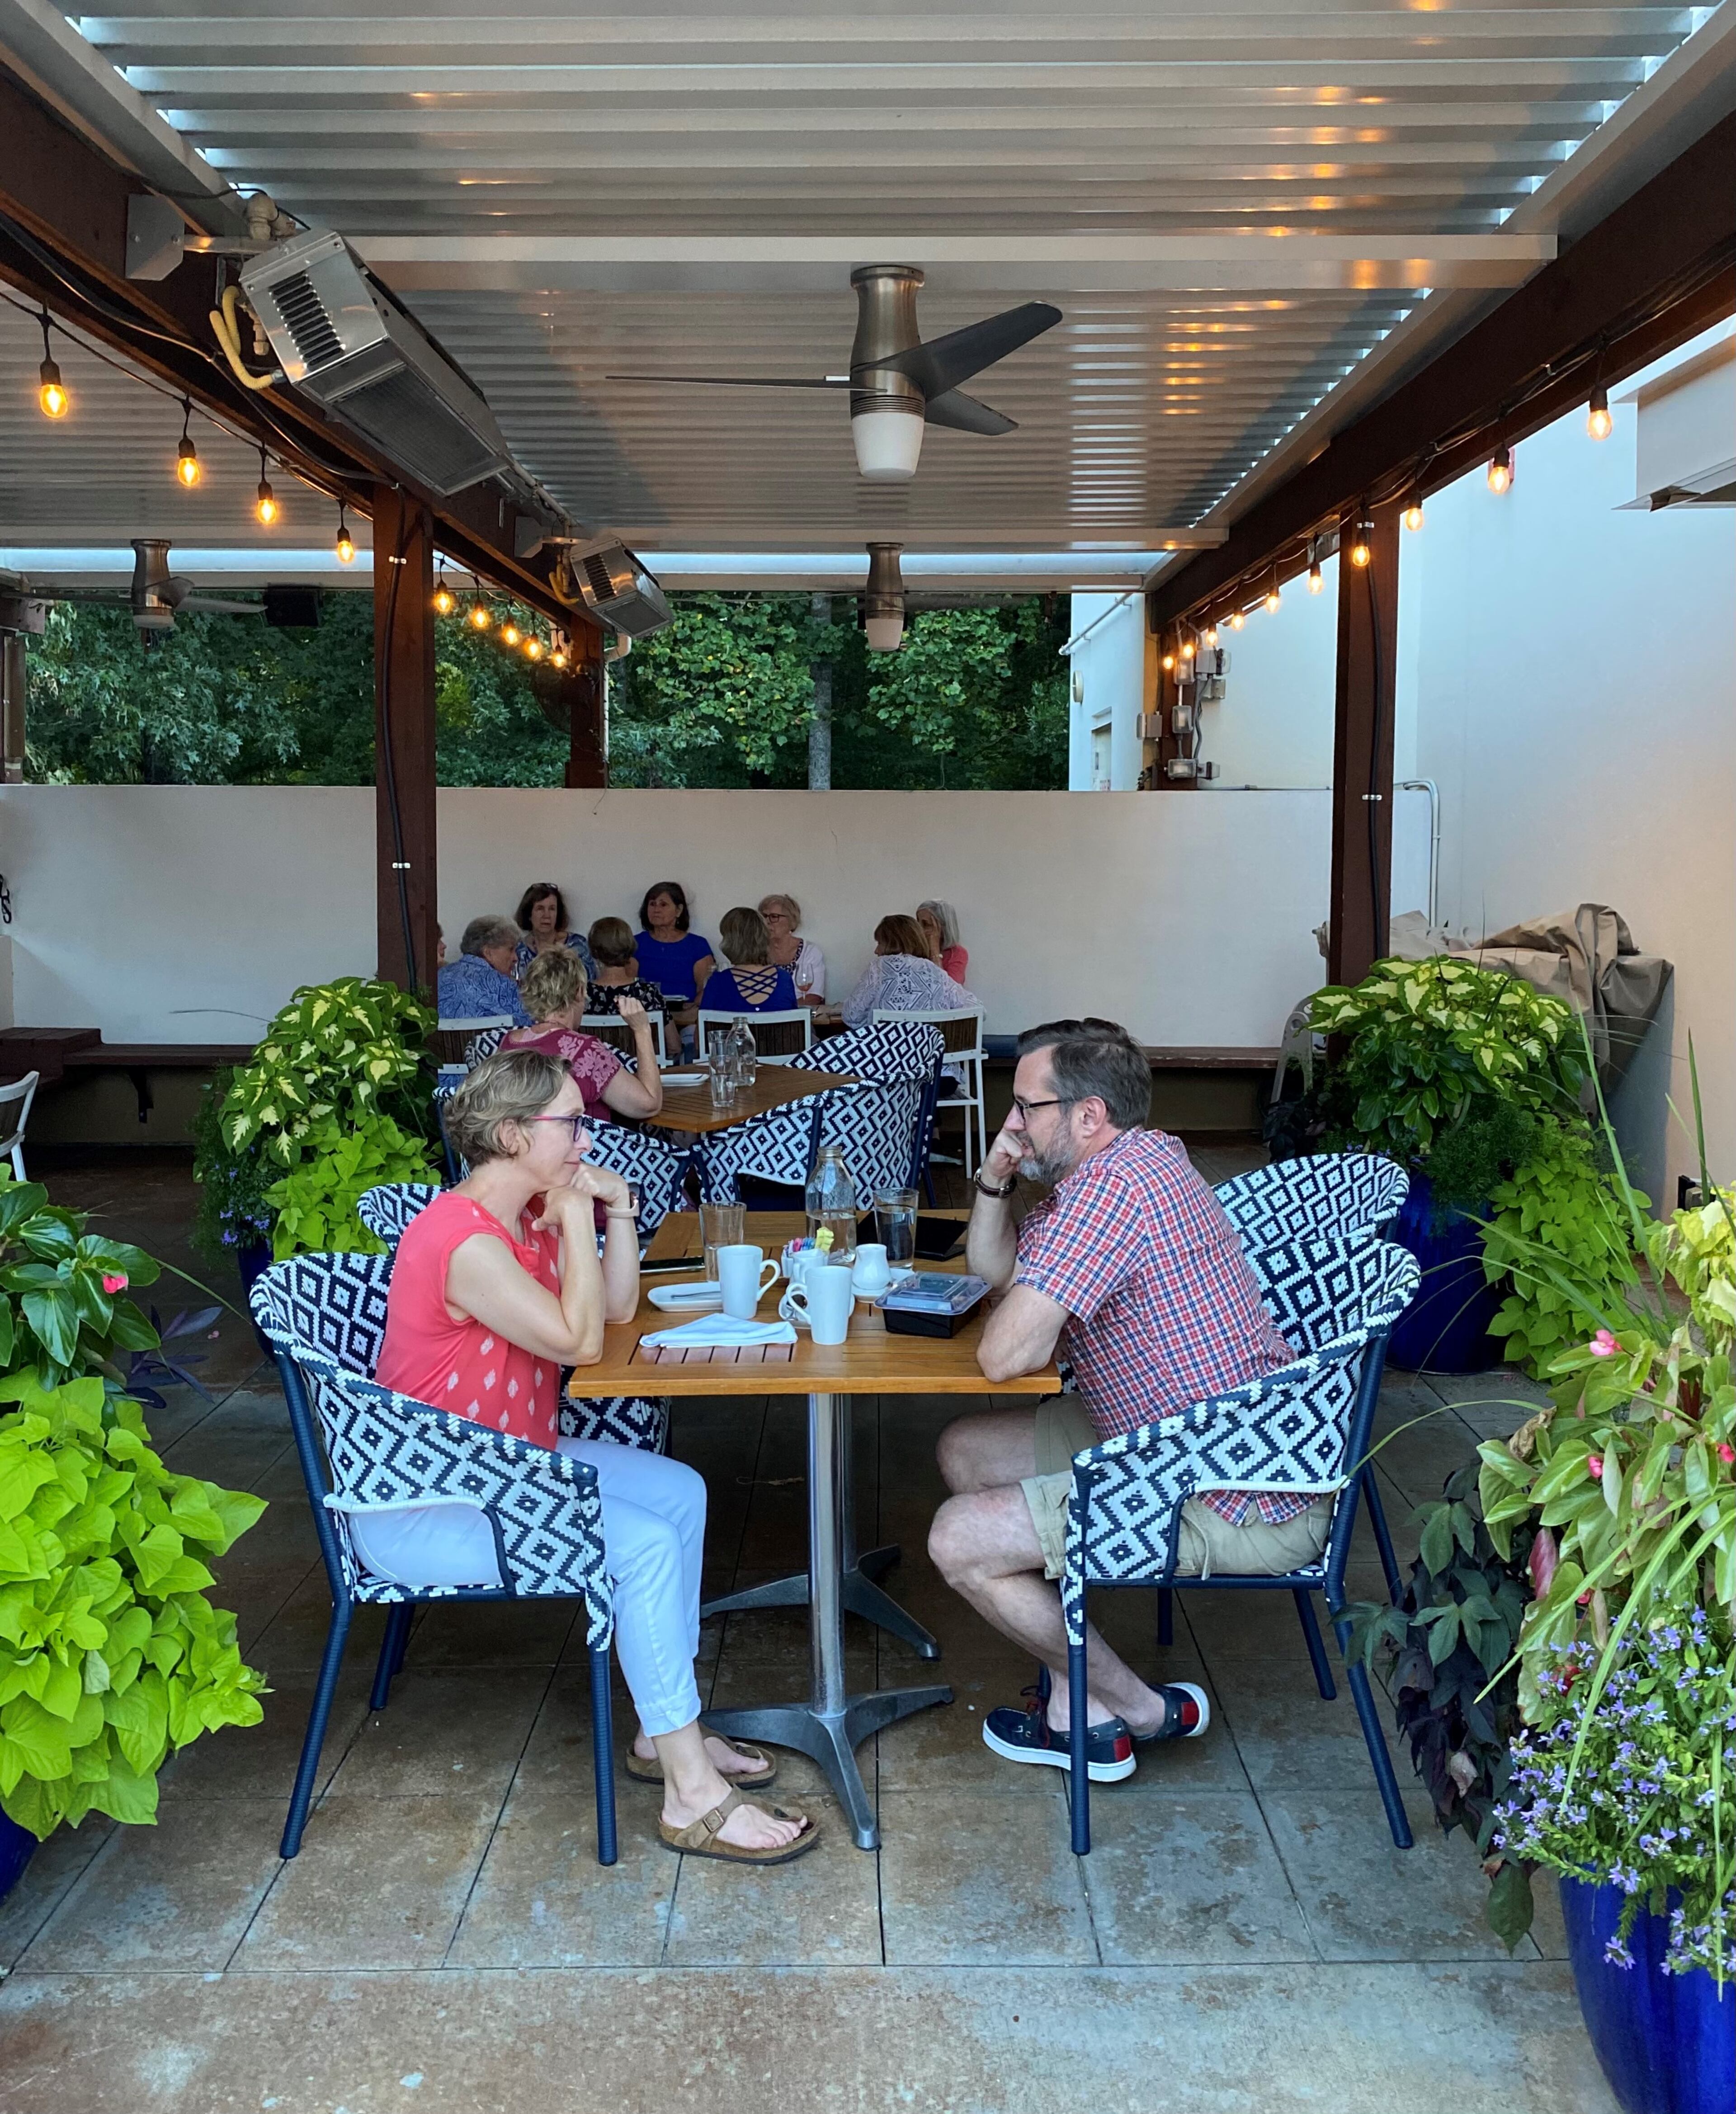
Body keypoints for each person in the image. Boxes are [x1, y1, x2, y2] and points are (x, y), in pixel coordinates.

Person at [371, 1049, 815, 1863]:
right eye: (571, 1122)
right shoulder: (463, 1239)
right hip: (433, 1501)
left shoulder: (516, 1218)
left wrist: (612, 1213)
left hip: (504, 1465)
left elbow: (610, 1312)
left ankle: (659, 1724)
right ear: (510, 1135)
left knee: (678, 1492)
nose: (588, 1135)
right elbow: (579, 1341)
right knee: (641, 1547)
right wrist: (576, 1216)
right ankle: (691, 1794)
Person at [927, 1017, 1315, 1785]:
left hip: (1227, 1488)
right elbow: (997, 1274)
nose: (1013, 1123)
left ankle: (1135, 1709)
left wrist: (1026, 1299)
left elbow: (1005, 1355)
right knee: (963, 1450)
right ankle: (1075, 1685)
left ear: (1089, 1115)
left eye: (1026, 1109)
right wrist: (996, 1177)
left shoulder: (1110, 1194)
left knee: (956, 1540)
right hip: (1180, 1434)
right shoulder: (1139, 1159)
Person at [502, 949, 665, 1122]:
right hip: (582, 1147)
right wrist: (642, 1029)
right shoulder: (585, 1051)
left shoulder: (509, 1043)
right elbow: (649, 1105)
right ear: (579, 991)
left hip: (525, 1145)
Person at [840, 913, 976, 1028]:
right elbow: (974, 1007)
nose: (876, 951)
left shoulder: (879, 967)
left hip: (888, 1057)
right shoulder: (936, 971)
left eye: (879, 943)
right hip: (931, 1056)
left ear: (892, 943)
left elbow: (852, 1015)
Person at [635, 882, 716, 1053]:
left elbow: (706, 988)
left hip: (688, 1018)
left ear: (679, 911)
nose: (656, 909)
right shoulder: (636, 944)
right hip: (649, 1018)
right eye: (652, 904)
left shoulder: (697, 945)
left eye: (663, 904)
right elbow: (628, 985)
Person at [701, 907, 799, 1016]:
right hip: (775, 1034)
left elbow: (702, 1031)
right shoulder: (784, 979)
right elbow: (795, 1026)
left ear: (730, 942)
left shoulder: (717, 982)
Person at [437, 915, 531, 1028]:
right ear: (488, 953)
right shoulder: (504, 985)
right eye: (511, 950)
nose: (516, 958)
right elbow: (529, 1028)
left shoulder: (439, 976)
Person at [585, 916, 666, 1021]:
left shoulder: (581, 995)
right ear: (630, 947)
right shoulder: (650, 994)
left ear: (594, 951)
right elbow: (673, 1037)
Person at [514, 883, 596, 981]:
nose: (547, 915)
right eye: (540, 909)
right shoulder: (518, 950)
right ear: (529, 915)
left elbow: (589, 986)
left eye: (552, 909)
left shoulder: (578, 946)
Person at [759, 893, 826, 1006]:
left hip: (798, 1017)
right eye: (764, 917)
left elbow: (815, 996)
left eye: (774, 917)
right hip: (763, 1017)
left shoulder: (810, 951)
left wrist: (783, 1011)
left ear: (791, 921)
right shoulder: (755, 951)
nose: (767, 922)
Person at [917, 900, 968, 985]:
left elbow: (949, 991)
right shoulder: (915, 950)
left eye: (926, 924)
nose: (920, 929)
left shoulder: (957, 954)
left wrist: (935, 952)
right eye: (918, 923)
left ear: (943, 927)